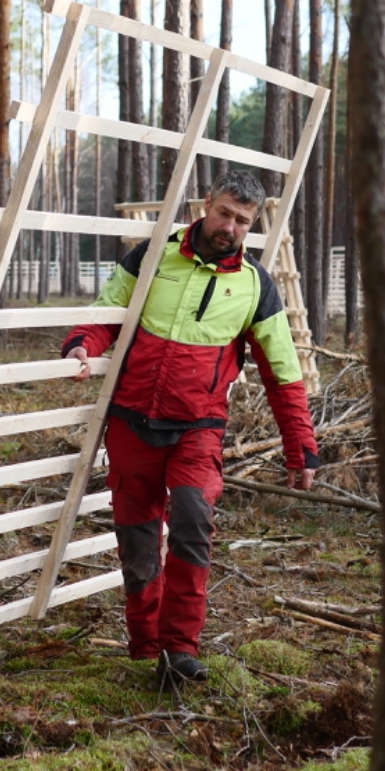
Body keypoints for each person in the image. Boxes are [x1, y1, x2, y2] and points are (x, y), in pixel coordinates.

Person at [61, 169, 320, 688]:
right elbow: (109, 312)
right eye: (224, 212)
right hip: (131, 420)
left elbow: (284, 373)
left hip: (198, 427)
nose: (230, 226)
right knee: (137, 543)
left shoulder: (255, 287)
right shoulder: (152, 255)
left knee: (193, 521)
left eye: (242, 221)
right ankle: (145, 645)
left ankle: (179, 648)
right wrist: (82, 344)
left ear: (252, 225)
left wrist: (302, 448)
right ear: (207, 204)